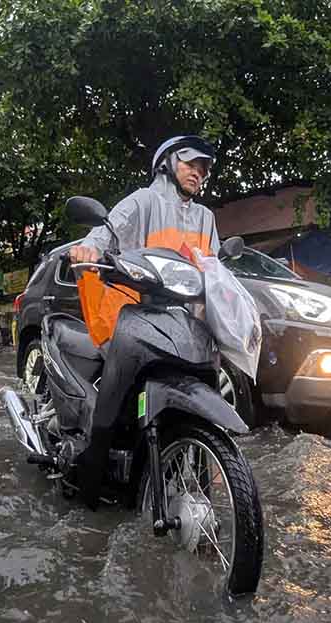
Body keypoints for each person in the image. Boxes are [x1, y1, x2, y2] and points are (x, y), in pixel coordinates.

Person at [68, 135, 220, 508]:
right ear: (166, 163)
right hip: (134, 311)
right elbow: (106, 232)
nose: (198, 173)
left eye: (203, 169)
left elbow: (215, 267)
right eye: (191, 164)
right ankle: (91, 477)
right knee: (114, 398)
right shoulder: (142, 201)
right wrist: (89, 248)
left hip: (184, 319)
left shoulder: (206, 218)